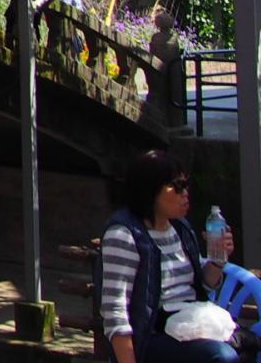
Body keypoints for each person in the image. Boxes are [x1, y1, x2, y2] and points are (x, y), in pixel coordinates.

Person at [96, 149, 239, 363]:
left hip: (189, 325)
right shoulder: (124, 234)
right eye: (177, 187)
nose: (185, 194)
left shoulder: (180, 228)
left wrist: (217, 260)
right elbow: (115, 312)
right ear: (150, 191)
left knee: (245, 345)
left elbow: (202, 285)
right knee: (221, 356)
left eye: (186, 185)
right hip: (152, 335)